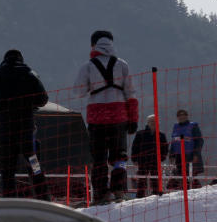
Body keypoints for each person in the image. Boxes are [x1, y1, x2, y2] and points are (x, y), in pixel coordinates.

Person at [72, 30, 138, 204]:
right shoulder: (122, 65)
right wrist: (133, 119)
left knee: (98, 158)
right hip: (119, 115)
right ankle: (119, 191)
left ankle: (101, 194)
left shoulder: (87, 66)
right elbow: (131, 93)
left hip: (97, 118)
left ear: (93, 45)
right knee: (120, 156)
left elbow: (78, 92)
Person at [0, 49, 51, 200]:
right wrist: (29, 104)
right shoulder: (30, 76)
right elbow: (43, 99)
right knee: (34, 166)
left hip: (4, 133)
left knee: (7, 170)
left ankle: (9, 201)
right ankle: (43, 198)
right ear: (21, 60)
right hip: (26, 131)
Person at [131, 114, 168, 198]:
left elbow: (165, 148)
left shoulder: (161, 135)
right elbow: (135, 147)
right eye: (151, 121)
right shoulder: (140, 133)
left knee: (155, 179)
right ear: (147, 122)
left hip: (155, 161)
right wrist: (134, 159)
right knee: (141, 179)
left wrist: (162, 158)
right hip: (142, 160)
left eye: (155, 121)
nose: (153, 123)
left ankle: (156, 196)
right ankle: (140, 196)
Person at [169, 109, 204, 188]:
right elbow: (174, 141)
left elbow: (199, 141)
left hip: (190, 156)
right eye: (179, 115)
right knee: (180, 175)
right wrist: (171, 154)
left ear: (187, 116)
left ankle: (195, 191)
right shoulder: (176, 127)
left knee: (191, 176)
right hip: (178, 156)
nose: (182, 117)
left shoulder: (193, 126)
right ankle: (183, 191)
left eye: (183, 115)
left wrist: (196, 154)